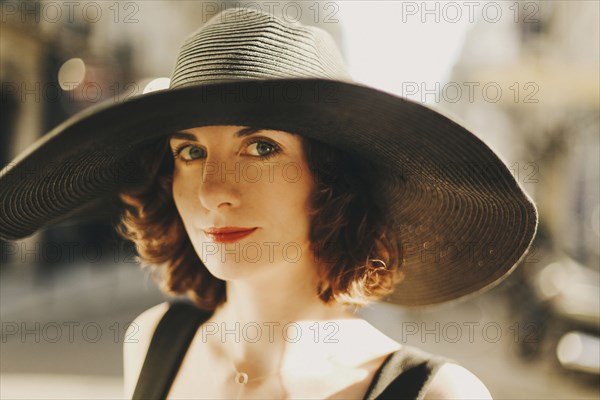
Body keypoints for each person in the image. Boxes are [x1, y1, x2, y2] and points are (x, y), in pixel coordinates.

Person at [0, 7, 537, 400]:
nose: (213, 190)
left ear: (332, 182)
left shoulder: (432, 394)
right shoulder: (152, 342)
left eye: (261, 147)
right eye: (189, 151)